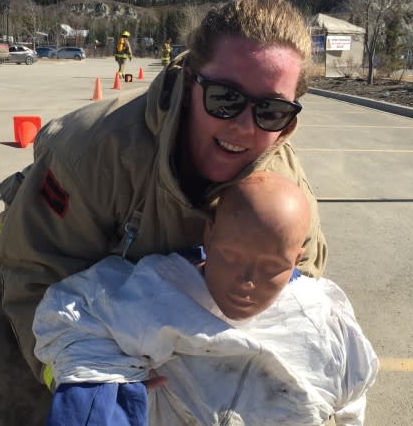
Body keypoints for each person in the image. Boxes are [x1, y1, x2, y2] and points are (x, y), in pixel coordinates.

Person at [0, 0, 328, 425]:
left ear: (290, 121)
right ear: (191, 82)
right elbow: (35, 272)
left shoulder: (287, 190)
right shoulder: (96, 151)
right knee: (9, 376)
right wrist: (81, 373)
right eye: (225, 99)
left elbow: (301, 292)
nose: (244, 127)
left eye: (271, 110)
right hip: (54, 286)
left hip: (181, 311)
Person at [34, 172, 378, 426]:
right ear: (208, 236)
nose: (246, 280)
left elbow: (352, 396)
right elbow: (68, 316)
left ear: (297, 258)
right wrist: (104, 391)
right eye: (230, 255)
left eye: (272, 267)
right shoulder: (154, 293)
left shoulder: (322, 320)